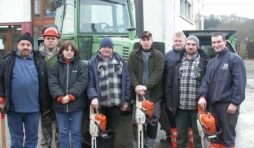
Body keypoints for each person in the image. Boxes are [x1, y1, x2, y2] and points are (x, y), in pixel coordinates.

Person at [0, 32, 51, 147]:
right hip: (13, 108)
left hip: (33, 109)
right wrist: (1, 98)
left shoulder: (40, 62)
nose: (25, 47)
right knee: (16, 139)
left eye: (28, 44)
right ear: (17, 46)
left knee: (32, 139)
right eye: (22, 44)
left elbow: (45, 84)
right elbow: (1, 80)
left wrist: (46, 105)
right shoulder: (8, 60)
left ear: (32, 47)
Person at [198, 32, 246, 148]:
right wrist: (202, 96)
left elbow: (239, 83)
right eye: (214, 42)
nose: (216, 44)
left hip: (227, 106)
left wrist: (235, 102)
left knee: (227, 138)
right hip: (213, 106)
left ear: (225, 42)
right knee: (214, 136)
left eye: (219, 41)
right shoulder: (212, 62)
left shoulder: (235, 59)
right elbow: (206, 81)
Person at [165, 35, 209, 148]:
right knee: (181, 136)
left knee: (198, 135)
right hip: (180, 107)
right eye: (188, 44)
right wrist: (170, 102)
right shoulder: (177, 62)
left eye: (193, 44)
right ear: (185, 45)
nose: (190, 47)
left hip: (198, 108)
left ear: (197, 46)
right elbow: (169, 84)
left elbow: (208, 83)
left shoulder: (204, 62)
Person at [87, 37, 131, 148]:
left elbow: (126, 80)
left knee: (112, 131)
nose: (107, 49)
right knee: (99, 131)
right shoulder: (93, 62)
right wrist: (93, 97)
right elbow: (90, 82)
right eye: (104, 47)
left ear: (112, 48)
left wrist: (126, 100)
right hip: (100, 104)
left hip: (115, 104)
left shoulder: (119, 60)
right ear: (100, 48)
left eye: (109, 47)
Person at [48, 40, 88, 148]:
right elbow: (52, 83)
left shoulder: (81, 66)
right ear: (62, 51)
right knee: (63, 133)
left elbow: (82, 82)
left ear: (75, 52)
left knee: (76, 132)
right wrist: (60, 97)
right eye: (67, 50)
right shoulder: (55, 66)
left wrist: (71, 95)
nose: (69, 52)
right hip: (60, 105)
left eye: (72, 50)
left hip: (76, 105)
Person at [127, 31, 164, 148]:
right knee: (137, 121)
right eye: (144, 40)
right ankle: (138, 143)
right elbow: (130, 72)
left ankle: (149, 143)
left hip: (154, 94)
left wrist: (146, 86)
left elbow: (158, 73)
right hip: (138, 94)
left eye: (148, 40)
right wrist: (137, 86)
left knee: (153, 120)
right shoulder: (133, 55)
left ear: (152, 41)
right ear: (140, 41)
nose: (146, 42)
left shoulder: (159, 55)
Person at [163, 31, 186, 148]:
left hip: (186, 96)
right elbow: (163, 77)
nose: (178, 43)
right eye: (176, 41)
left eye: (180, 41)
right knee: (173, 122)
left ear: (184, 42)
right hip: (171, 96)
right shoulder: (166, 56)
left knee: (187, 123)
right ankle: (175, 144)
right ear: (173, 42)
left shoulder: (190, 55)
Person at [40, 24, 61, 148]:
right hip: (44, 98)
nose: (50, 41)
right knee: (45, 131)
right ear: (44, 39)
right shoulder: (38, 56)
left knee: (60, 131)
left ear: (57, 40)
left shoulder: (62, 56)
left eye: (53, 38)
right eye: (48, 38)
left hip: (58, 97)